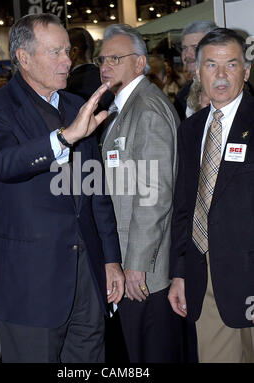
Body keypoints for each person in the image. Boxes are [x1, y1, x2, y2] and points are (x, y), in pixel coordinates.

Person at [0, 13, 124, 363]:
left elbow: (96, 191)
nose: (67, 61)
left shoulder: (76, 105)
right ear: (24, 58)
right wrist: (65, 137)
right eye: (55, 52)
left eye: (68, 51)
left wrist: (111, 259)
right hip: (31, 284)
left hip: (87, 276)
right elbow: (3, 165)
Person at [96, 23, 184, 363]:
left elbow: (154, 195)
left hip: (145, 270)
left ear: (139, 63)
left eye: (115, 58)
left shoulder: (146, 110)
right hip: (136, 263)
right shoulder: (123, 106)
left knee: (150, 352)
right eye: (102, 59)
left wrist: (135, 265)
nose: (105, 66)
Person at [168, 27, 254, 363]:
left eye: (231, 65)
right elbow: (183, 206)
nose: (220, 75)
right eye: (210, 65)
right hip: (204, 281)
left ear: (245, 71)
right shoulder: (190, 129)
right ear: (196, 70)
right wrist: (179, 272)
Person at [174, 21, 216, 120]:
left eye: (195, 47)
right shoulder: (182, 95)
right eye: (184, 48)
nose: (188, 54)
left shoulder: (231, 88)